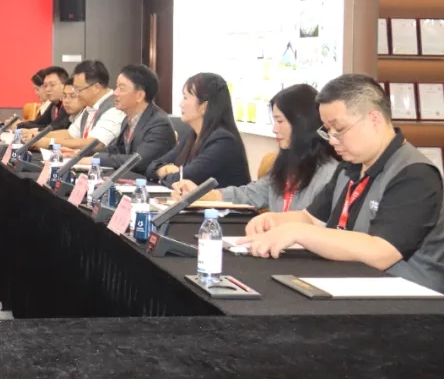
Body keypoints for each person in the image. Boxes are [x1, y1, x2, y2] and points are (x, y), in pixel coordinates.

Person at [238, 74, 444, 291]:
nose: (332, 140)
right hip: (351, 284)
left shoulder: (415, 174)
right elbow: (312, 218)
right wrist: (275, 221)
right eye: (327, 130)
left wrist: (297, 232)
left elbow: (381, 252)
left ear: (374, 119)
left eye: (339, 129)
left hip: (407, 298)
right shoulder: (350, 166)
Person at [172, 84, 338, 211]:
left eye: (280, 121)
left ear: (302, 123)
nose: (274, 129)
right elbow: (250, 194)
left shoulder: (329, 173)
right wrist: (202, 194)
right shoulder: (287, 164)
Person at [146, 72, 251, 188]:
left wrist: (162, 175)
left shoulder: (223, 141)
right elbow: (152, 167)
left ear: (204, 106)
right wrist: (166, 170)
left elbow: (182, 179)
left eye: (185, 98)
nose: (181, 104)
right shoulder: (192, 135)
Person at [97, 64, 176, 175]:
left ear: (140, 95)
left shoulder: (159, 124)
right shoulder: (128, 119)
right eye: (116, 87)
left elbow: (138, 161)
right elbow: (118, 150)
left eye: (121, 88)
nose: (115, 93)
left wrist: (96, 160)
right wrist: (83, 154)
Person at [33, 60, 124, 152]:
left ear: (96, 87)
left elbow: (93, 144)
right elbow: (70, 134)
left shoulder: (115, 109)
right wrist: (37, 135)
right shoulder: (89, 107)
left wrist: (50, 143)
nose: (77, 94)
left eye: (79, 89)